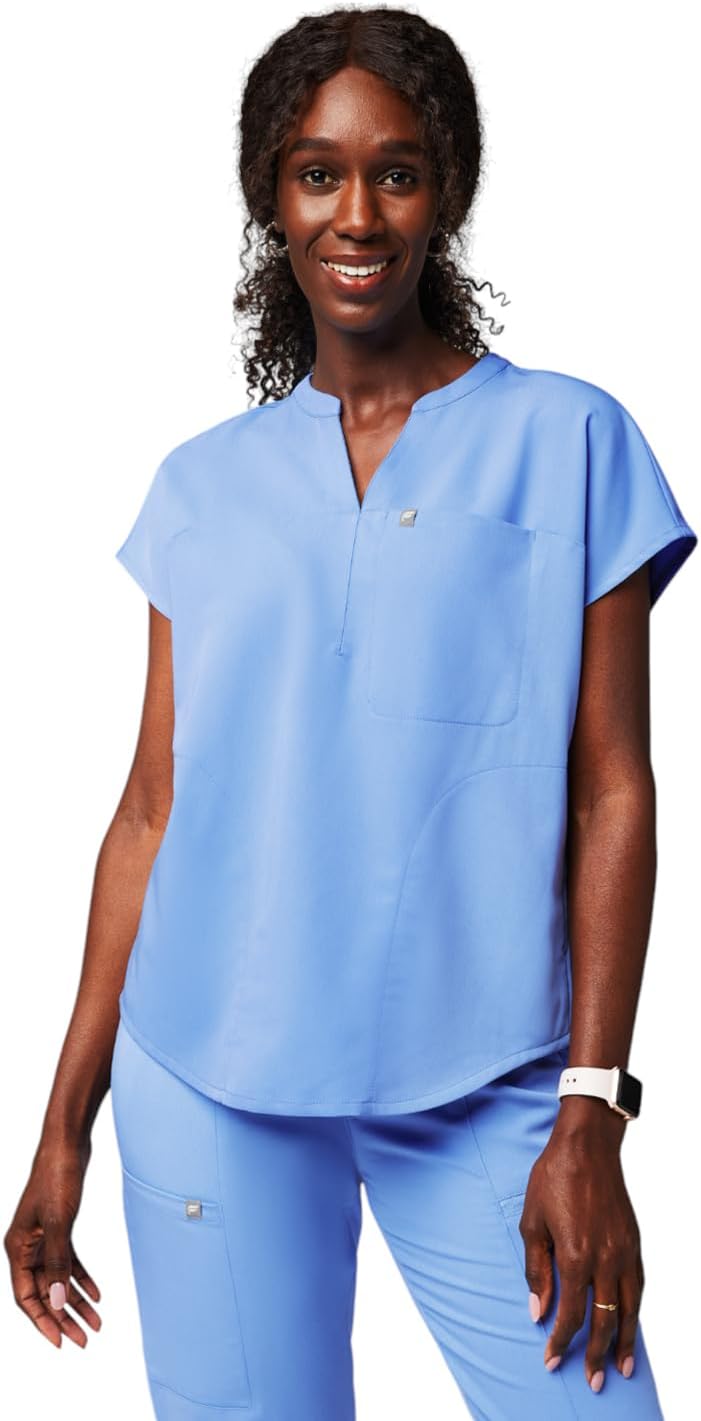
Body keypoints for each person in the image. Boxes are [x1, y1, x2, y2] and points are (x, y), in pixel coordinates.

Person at [4, 8, 696, 1419]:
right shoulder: (199, 487)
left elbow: (610, 789)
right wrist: (63, 1122)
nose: (357, 214)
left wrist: (592, 1106)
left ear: (448, 191)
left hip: (489, 1077)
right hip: (210, 1078)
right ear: (273, 198)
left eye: (397, 172)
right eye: (319, 174)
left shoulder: (569, 438)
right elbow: (152, 811)